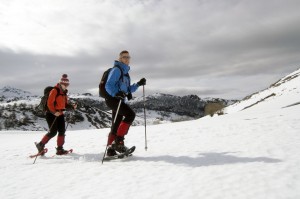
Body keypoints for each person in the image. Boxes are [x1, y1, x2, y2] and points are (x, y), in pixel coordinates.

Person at [105, 50, 146, 156]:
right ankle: (119, 141)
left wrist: (138, 84)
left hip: (118, 100)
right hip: (113, 99)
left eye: (128, 57)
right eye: (124, 57)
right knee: (130, 114)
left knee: (116, 124)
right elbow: (108, 85)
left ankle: (110, 150)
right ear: (120, 59)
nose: (127, 59)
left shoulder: (125, 74)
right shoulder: (117, 70)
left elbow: (127, 89)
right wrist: (116, 93)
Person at [36, 74, 77, 155]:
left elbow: (64, 105)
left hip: (60, 114)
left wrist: (72, 107)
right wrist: (54, 112)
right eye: (64, 84)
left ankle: (59, 149)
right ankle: (40, 145)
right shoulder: (54, 91)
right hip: (51, 114)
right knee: (53, 132)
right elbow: (49, 104)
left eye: (67, 84)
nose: (66, 86)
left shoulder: (64, 93)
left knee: (62, 131)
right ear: (60, 83)